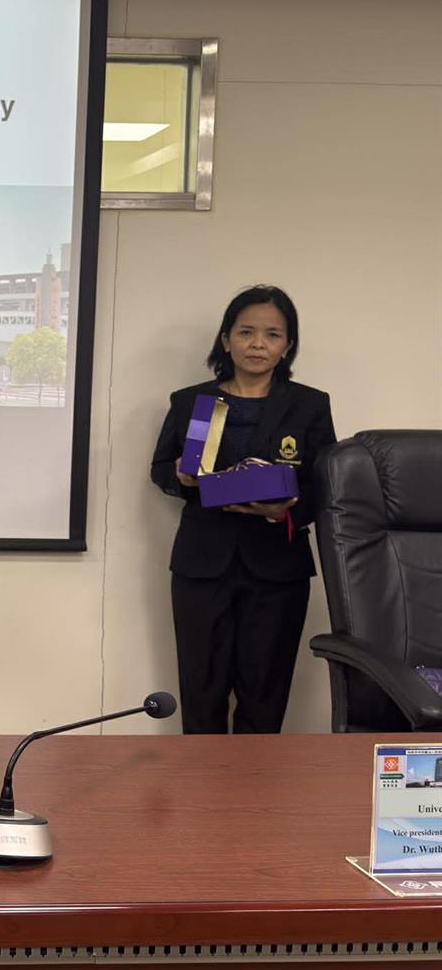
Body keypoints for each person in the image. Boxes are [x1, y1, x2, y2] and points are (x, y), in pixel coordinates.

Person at [150, 285, 336, 735]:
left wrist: (284, 510)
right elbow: (160, 469)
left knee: (264, 694)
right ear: (226, 339)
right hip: (202, 564)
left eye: (272, 335)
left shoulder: (309, 404)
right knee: (201, 691)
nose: (257, 344)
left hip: (278, 566)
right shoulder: (191, 401)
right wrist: (181, 477)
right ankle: (202, 779)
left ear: (287, 346)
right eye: (246, 332)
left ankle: (256, 780)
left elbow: (328, 484)